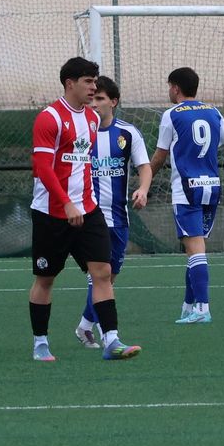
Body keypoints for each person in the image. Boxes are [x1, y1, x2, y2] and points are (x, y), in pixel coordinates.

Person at [28, 57, 140, 363]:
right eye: (88, 81)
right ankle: (40, 342)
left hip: (88, 211)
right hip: (52, 213)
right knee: (46, 279)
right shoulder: (49, 118)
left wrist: (83, 202)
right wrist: (66, 202)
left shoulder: (92, 120)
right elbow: (42, 167)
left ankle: (112, 341)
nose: (93, 87)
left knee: (102, 272)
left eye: (95, 81)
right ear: (70, 83)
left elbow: (83, 166)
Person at [148, 67, 224, 324]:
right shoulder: (213, 112)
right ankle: (188, 306)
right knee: (195, 249)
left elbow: (160, 156)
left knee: (194, 249)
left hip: (187, 188)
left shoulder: (172, 115)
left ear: (175, 88)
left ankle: (202, 309)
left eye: (169, 86)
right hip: (212, 186)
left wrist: (144, 182)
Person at [74, 76, 151, 350]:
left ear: (113, 102)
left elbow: (144, 166)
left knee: (108, 277)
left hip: (118, 218)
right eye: (92, 98)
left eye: (100, 99)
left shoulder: (127, 133)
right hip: (88, 218)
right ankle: (110, 337)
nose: (94, 103)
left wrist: (143, 189)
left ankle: (84, 326)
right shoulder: (81, 132)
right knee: (100, 276)